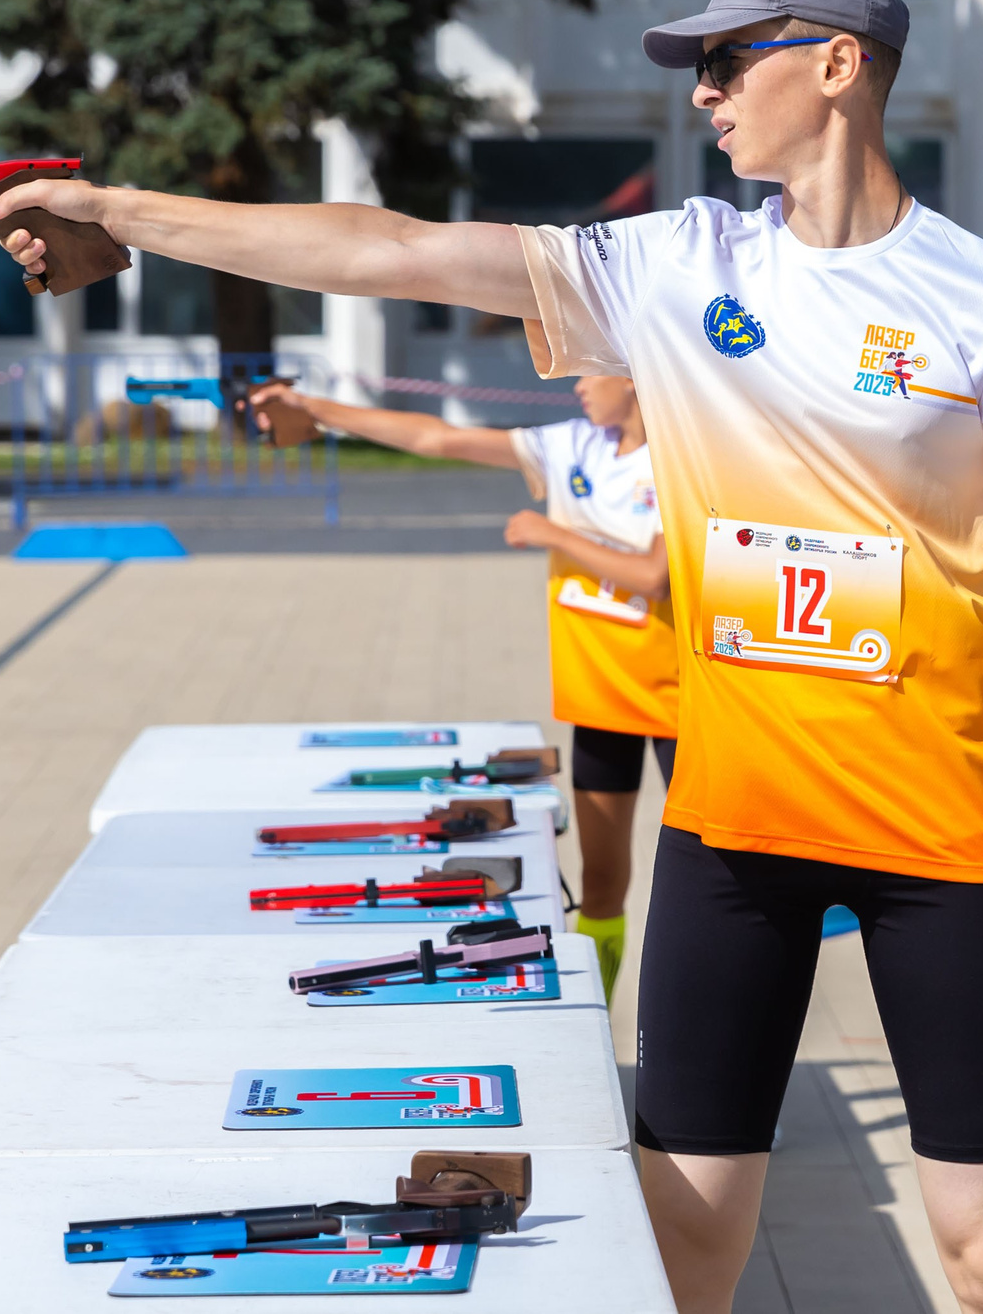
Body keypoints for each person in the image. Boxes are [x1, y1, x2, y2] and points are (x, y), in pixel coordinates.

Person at [0, 0, 983, 1314]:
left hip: (942, 836)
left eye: (725, 59)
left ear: (837, 63)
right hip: (732, 830)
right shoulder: (676, 266)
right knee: (683, 1246)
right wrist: (124, 209)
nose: (702, 92)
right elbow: (387, 247)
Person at [248, 373, 677, 996]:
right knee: (603, 881)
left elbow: (653, 577)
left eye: (591, 367)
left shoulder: (678, 457)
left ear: (638, 376)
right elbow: (435, 436)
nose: (575, 382)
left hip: (681, 701)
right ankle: (601, 1019)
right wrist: (313, 407)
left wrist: (554, 533)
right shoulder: (573, 445)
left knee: (707, 883)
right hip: (603, 697)